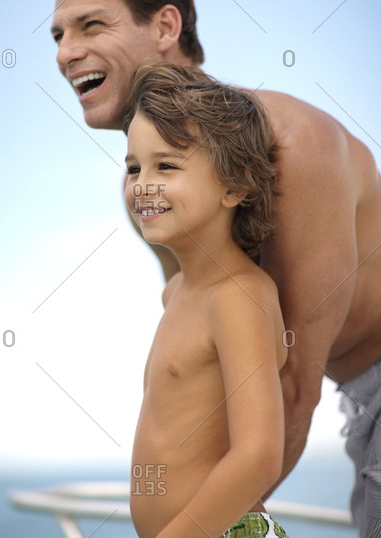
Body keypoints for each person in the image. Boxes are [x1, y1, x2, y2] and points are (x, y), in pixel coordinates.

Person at [49, 0, 381, 536]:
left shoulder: (293, 149)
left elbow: (290, 391)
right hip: (350, 390)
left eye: (89, 26)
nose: (66, 52)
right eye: (57, 36)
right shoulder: (156, 202)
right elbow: (198, 351)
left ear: (165, 26)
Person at [124, 62, 289, 538]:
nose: (143, 185)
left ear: (235, 185)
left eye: (167, 165)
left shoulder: (238, 296)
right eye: (134, 167)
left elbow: (258, 456)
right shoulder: (175, 292)